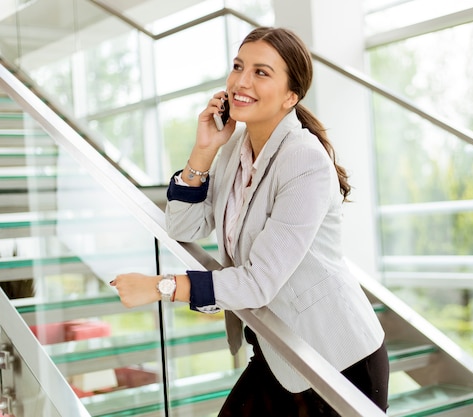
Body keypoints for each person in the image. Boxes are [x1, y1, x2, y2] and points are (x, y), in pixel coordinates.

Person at [111, 26, 388, 416]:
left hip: (335, 360)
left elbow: (259, 281)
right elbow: (183, 228)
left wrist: (162, 287)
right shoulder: (234, 151)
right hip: (278, 349)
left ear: (291, 96)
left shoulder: (304, 160)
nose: (241, 81)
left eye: (261, 72)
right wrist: (204, 150)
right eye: (238, 66)